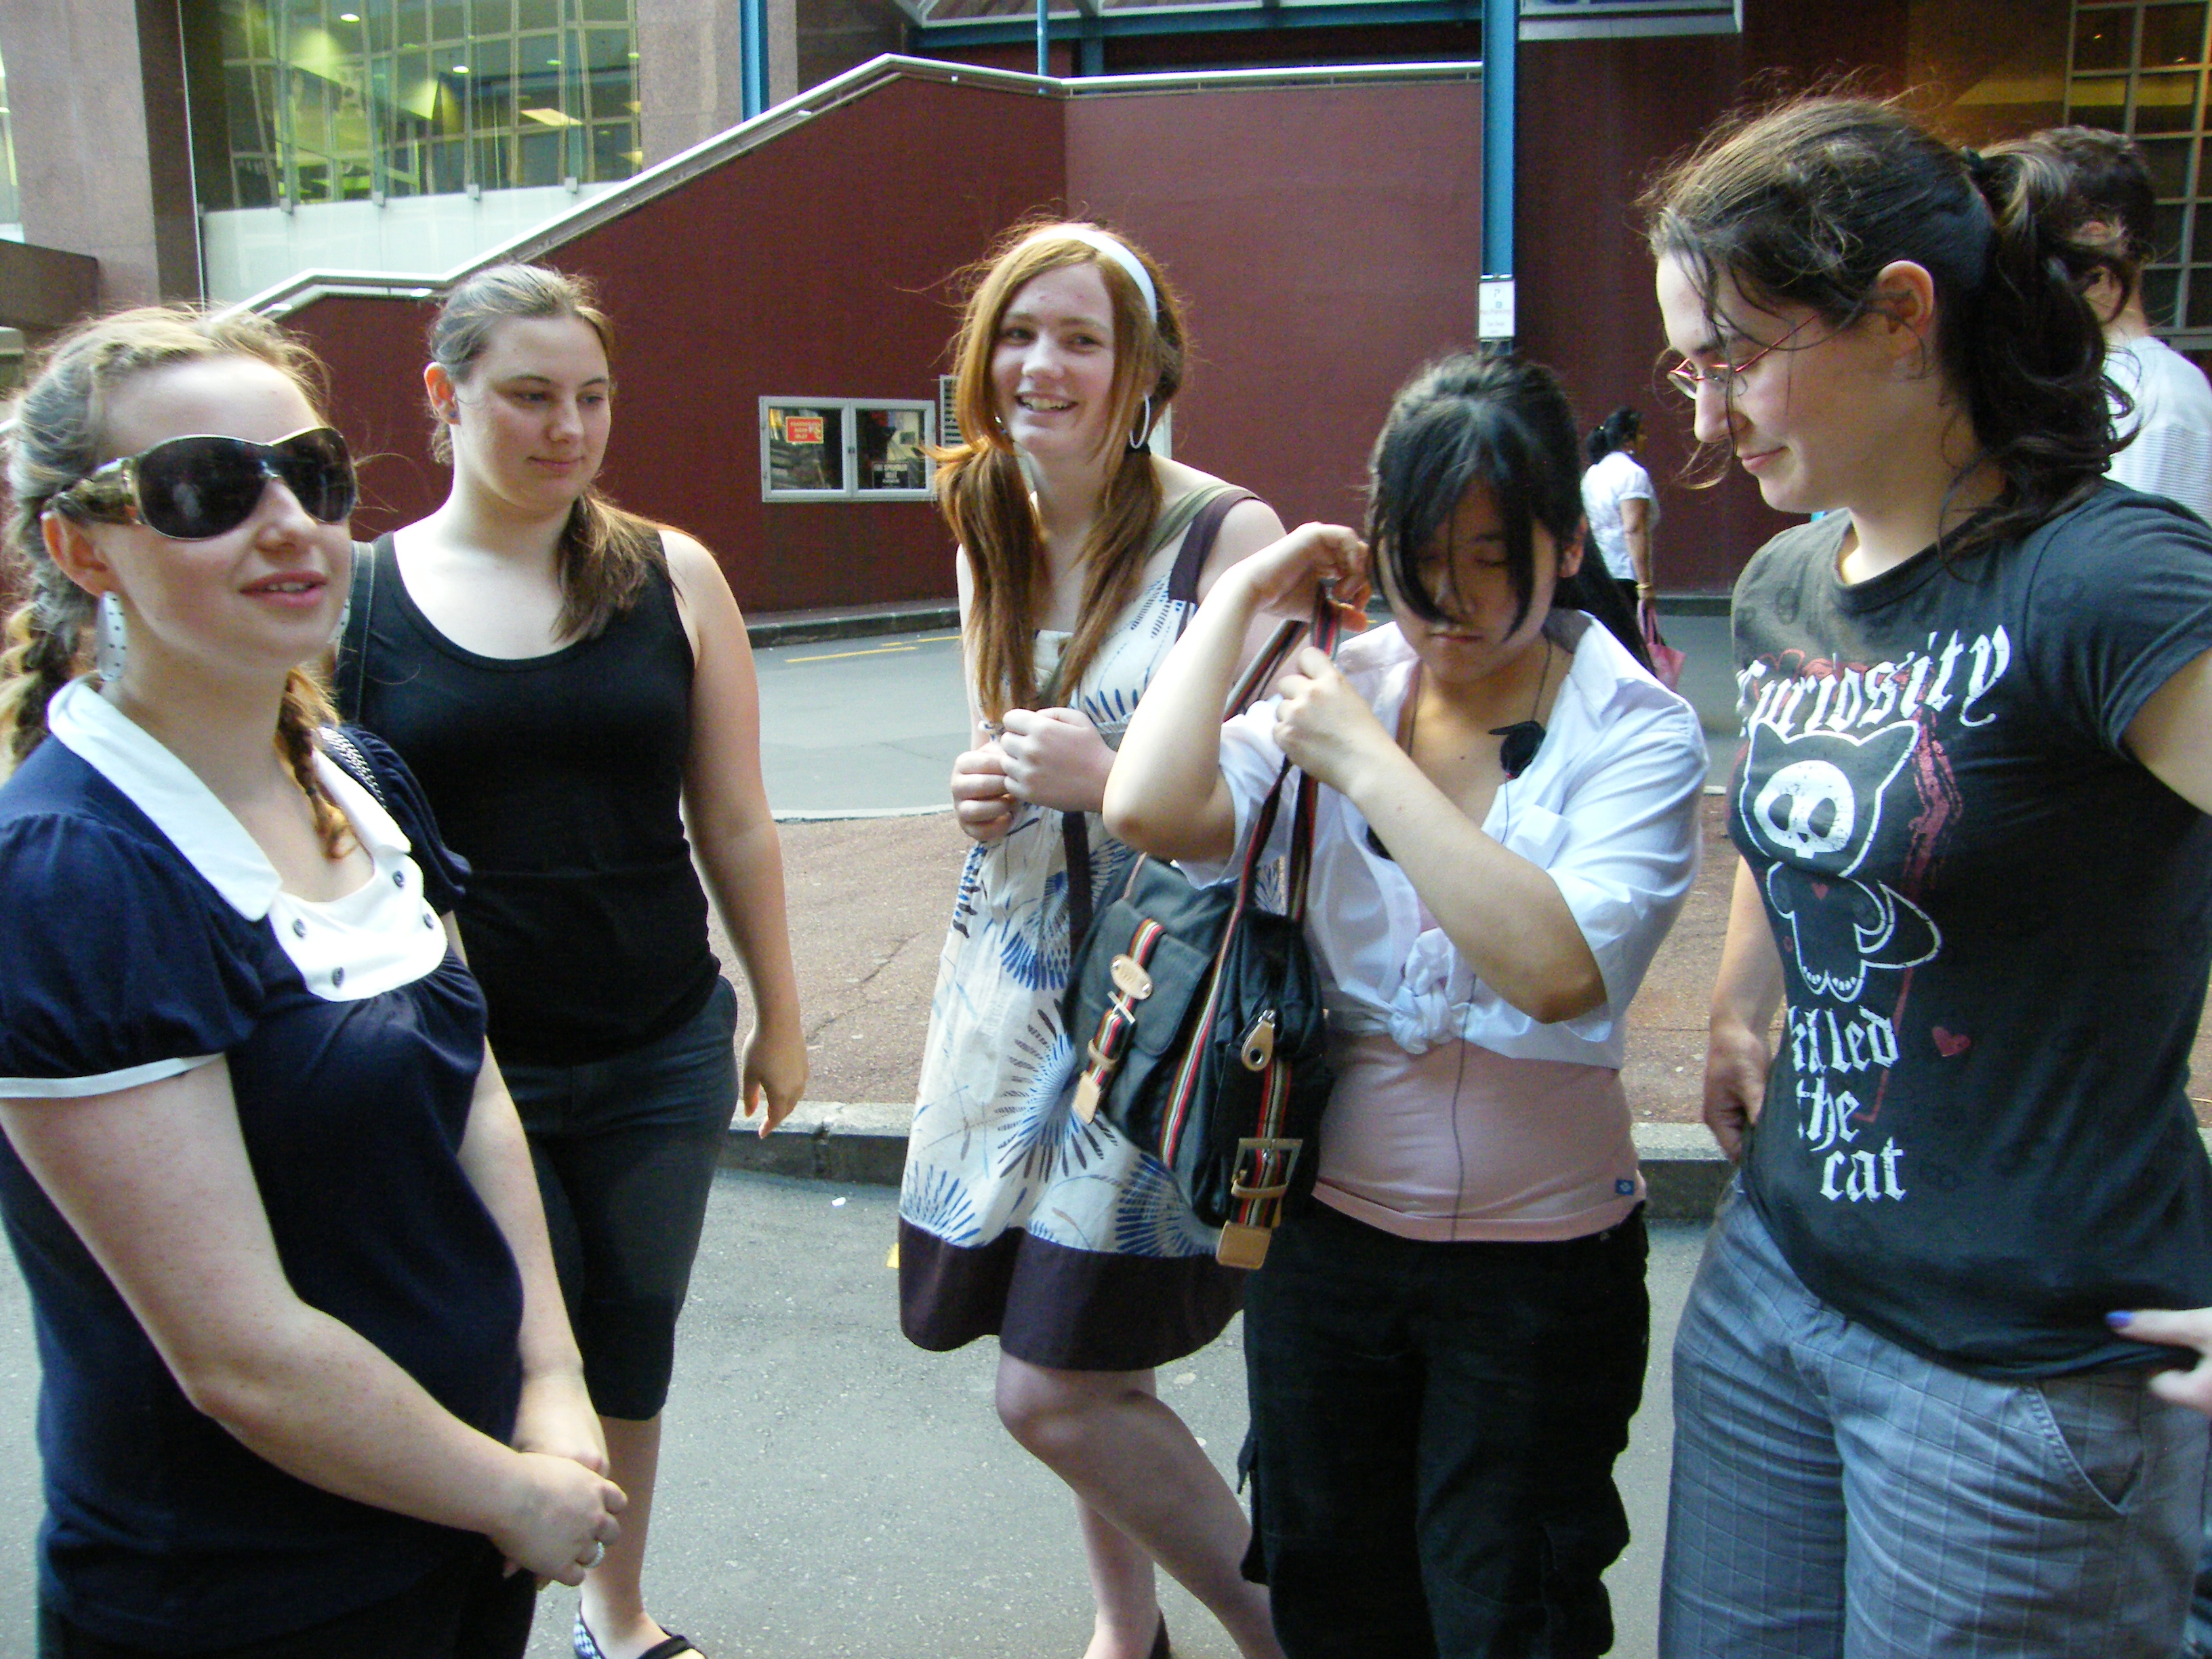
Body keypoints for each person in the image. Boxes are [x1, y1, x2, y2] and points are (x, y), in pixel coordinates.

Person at [1647, 96, 2212, 1656]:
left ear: (1902, 314)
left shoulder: (2104, 579)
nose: (1708, 419)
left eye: (1736, 357)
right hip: (1776, 1290)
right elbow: (1802, 820)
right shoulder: (1785, 583)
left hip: (2020, 1372)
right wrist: (1739, 1001)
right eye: (1689, 369)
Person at [0, 306, 625, 1656]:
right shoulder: (67, 873)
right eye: (205, 489)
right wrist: (511, 1493)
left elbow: (475, 1096)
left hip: (460, 1532)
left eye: (312, 474)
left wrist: (550, 1377)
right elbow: (239, 1355)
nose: (288, 522)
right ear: (81, 547)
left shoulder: (355, 775)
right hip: (249, 1598)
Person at [1103, 352, 1706, 1658]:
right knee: (1332, 1596)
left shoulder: (1633, 728)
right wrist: (1242, 597)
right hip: (1324, 1251)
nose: (1450, 597)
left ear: (1562, 544)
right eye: (1419, 554)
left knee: (1510, 1610)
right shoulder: (1338, 683)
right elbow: (1144, 804)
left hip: (1537, 1274)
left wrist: (1370, 766)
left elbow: (1552, 967)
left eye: (1490, 555)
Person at [337, 264, 807, 1659]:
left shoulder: (671, 573)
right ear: (446, 395)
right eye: (531, 396)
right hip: (466, 1066)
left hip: (662, 1045)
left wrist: (780, 1015)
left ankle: (615, 1610)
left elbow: (733, 817)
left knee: (630, 1349)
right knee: (503, 1358)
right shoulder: (362, 599)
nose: (569, 428)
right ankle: (477, 1619)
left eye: (593, 397)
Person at [897, 220, 1288, 1659]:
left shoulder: (1226, 538)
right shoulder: (989, 520)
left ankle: (1282, 1630)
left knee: (1053, 1380)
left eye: (1080, 338)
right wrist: (979, 786)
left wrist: (1106, 779)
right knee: (1064, 1332)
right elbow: (1001, 747)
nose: (1041, 366)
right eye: (1017, 333)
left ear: (1143, 372)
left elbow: (1290, 804)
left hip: (1157, 997)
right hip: (1013, 988)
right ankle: (1127, 1632)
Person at [1997, 125, 2212, 525]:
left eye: (2025, 240)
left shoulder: (2163, 398)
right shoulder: (2061, 379)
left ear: (2095, 244)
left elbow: (2140, 560)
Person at [1581, 405, 1659, 610]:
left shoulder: (1593, 473)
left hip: (1598, 569)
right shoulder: (1632, 474)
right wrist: (1645, 584)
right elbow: (1634, 529)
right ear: (1627, 440)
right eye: (1641, 433)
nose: (1645, 438)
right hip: (1625, 573)